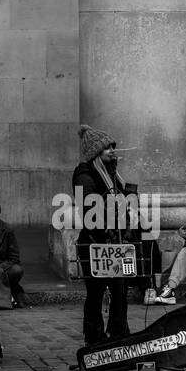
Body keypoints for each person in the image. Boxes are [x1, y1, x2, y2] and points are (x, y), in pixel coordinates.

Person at [72, 125, 132, 346]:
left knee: (119, 289)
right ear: (97, 153)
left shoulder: (110, 173)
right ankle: (94, 337)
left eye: (113, 147)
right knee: (97, 291)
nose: (113, 151)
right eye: (108, 148)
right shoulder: (84, 175)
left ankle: (119, 333)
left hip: (114, 241)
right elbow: (90, 209)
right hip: (94, 242)